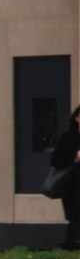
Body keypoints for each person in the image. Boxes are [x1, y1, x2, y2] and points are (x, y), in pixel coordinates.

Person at [49, 105, 80, 250]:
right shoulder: (68, 137)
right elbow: (55, 161)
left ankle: (70, 247)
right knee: (76, 217)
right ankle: (70, 247)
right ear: (77, 118)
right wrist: (74, 159)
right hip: (73, 185)